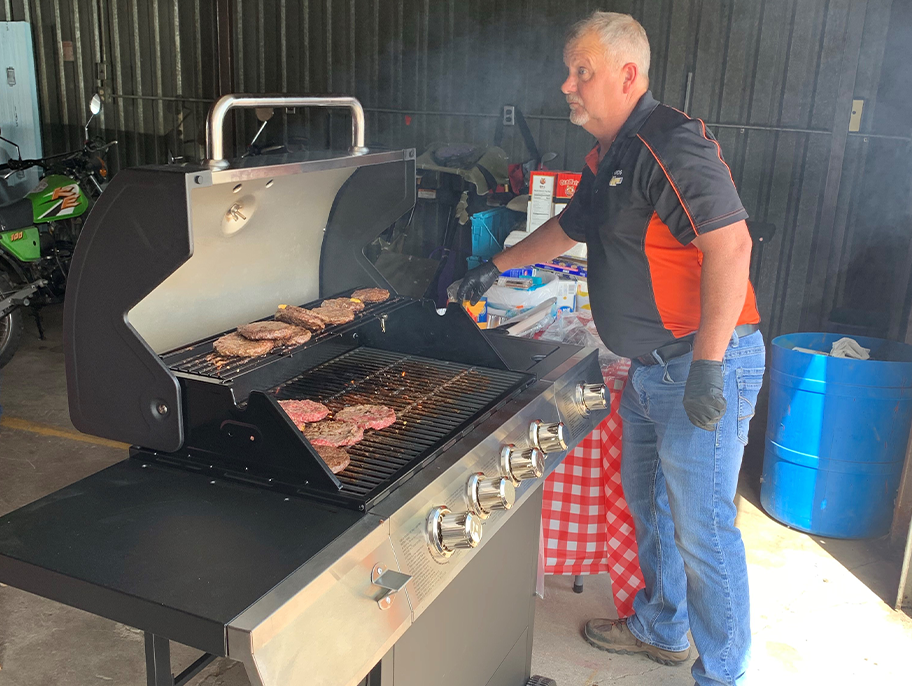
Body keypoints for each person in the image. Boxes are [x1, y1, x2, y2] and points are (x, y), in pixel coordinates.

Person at [456, 11, 764, 686]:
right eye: (569, 70)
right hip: (653, 369)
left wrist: (709, 366)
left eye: (582, 71)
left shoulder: (670, 144)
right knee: (648, 502)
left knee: (704, 532)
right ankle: (662, 628)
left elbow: (731, 245)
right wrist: (497, 267)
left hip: (703, 363)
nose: (567, 84)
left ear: (628, 75)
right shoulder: (610, 153)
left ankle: (724, 674)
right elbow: (571, 225)